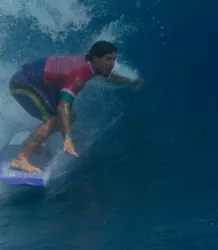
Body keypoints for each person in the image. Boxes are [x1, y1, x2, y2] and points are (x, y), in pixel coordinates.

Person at [8, 40, 142, 173]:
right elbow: (63, 106)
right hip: (24, 83)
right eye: (108, 59)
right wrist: (67, 138)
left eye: (113, 59)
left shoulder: (95, 65)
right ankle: (20, 158)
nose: (112, 63)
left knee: (69, 117)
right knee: (55, 119)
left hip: (42, 84)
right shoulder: (79, 74)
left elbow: (110, 77)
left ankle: (33, 145)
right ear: (96, 58)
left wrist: (131, 82)